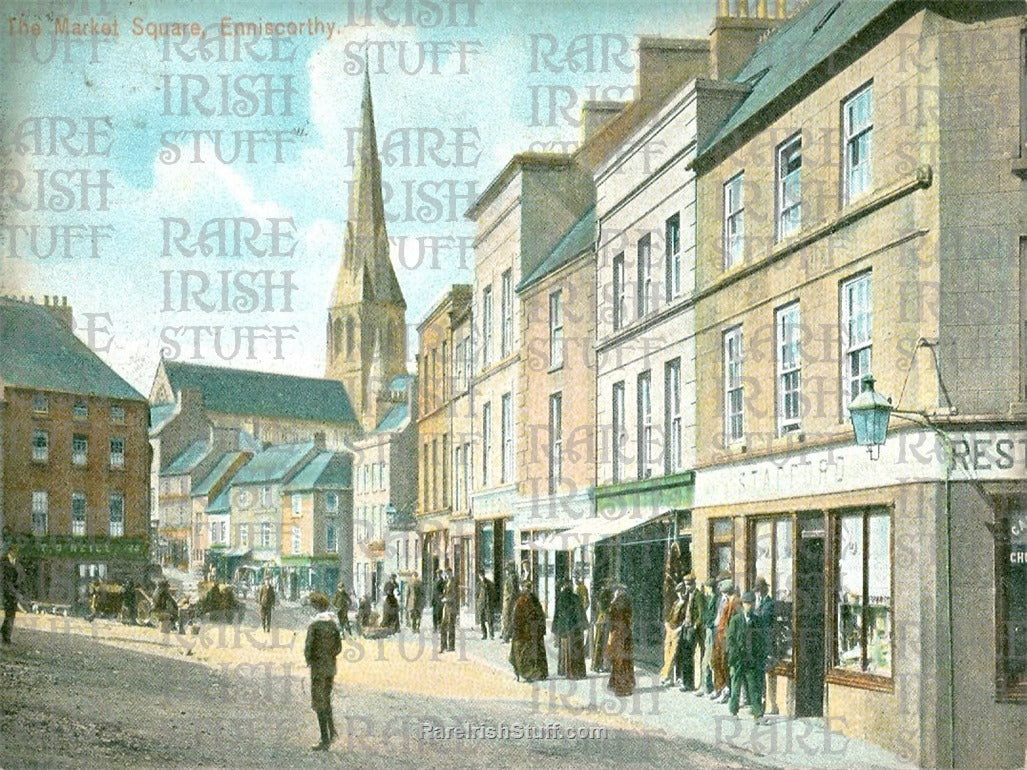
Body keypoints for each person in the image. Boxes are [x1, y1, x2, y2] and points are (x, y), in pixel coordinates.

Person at [304, 591, 342, 751]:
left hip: (318, 669)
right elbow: (338, 647)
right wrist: (330, 656)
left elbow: (308, 648)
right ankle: (332, 732)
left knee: (319, 702)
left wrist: (310, 661)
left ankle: (324, 739)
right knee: (326, 699)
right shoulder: (333, 624)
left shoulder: (314, 625)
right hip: (330, 668)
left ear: (315, 607)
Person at [727, 591, 767, 724]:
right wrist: (734, 655)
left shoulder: (757, 620)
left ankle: (757, 715)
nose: (750, 606)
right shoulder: (736, 620)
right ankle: (733, 711)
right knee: (736, 685)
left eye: (752, 603)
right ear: (743, 605)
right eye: (747, 603)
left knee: (753, 686)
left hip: (751, 659)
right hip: (738, 659)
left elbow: (760, 641)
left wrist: (760, 656)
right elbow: (730, 640)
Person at [509, 583, 547, 682]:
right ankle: (527, 673)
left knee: (535, 652)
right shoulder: (520, 601)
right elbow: (516, 618)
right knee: (522, 653)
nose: (528, 590)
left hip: (534, 631)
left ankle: (537, 673)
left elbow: (540, 614)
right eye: (526, 588)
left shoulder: (534, 600)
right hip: (524, 632)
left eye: (529, 588)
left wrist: (540, 626)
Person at [753, 576, 778, 714]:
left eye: (759, 590)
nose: (757, 593)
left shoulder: (769, 604)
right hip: (758, 644)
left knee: (767, 674)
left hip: (767, 644)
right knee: (760, 676)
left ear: (764, 590)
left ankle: (769, 705)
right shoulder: (759, 603)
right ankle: (761, 705)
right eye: (756, 591)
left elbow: (764, 622)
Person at [552, 580, 587, 679]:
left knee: (564, 649)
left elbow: (557, 615)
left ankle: (564, 670)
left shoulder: (560, 598)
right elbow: (581, 613)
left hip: (564, 629)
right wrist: (583, 625)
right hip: (575, 629)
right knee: (575, 649)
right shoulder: (575, 598)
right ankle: (577, 671)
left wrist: (556, 629)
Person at [606, 585, 635, 696]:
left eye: (617, 590)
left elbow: (610, 614)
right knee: (623, 661)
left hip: (619, 635)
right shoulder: (624, 603)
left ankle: (620, 687)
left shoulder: (618, 604)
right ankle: (622, 684)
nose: (616, 592)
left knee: (619, 661)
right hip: (624, 634)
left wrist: (613, 601)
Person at [696, 577, 718, 698]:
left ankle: (707, 687)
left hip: (711, 631)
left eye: (707, 588)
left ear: (710, 588)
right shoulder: (710, 599)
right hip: (708, 630)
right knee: (706, 660)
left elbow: (711, 616)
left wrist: (707, 623)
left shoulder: (714, 599)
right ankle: (705, 686)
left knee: (708, 661)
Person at [591, 579, 613, 673]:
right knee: (603, 643)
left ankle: (598, 664)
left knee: (601, 643)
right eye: (609, 583)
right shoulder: (604, 593)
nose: (610, 585)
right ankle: (600, 664)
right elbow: (603, 608)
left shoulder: (603, 593)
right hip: (604, 620)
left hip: (602, 619)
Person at [1, 546, 22, 645]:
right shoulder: (3, 562)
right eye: (14, 551)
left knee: (10, 615)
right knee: (9, 615)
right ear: (10, 551)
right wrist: (13, 592)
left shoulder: (15, 562)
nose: (15, 553)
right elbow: (5, 581)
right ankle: (6, 638)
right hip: (6, 593)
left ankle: (5, 633)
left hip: (13, 593)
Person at [439, 570, 459, 652]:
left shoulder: (454, 583)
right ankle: (443, 646)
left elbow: (455, 596)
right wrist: (442, 596)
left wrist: (447, 599)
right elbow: (445, 593)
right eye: (446, 574)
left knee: (451, 626)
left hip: (451, 607)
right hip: (446, 607)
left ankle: (451, 646)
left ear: (451, 573)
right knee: (443, 626)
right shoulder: (446, 582)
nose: (447, 575)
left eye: (448, 574)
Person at [500, 562, 519, 642]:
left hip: (509, 601)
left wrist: (511, 601)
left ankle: (506, 636)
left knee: (507, 618)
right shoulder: (511, 577)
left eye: (508, 569)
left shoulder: (512, 578)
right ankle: (506, 634)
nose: (507, 571)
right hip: (507, 601)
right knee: (506, 618)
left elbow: (513, 592)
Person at [475, 569, 495, 640]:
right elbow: (476, 595)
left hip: (488, 604)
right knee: (481, 620)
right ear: (479, 576)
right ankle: (484, 634)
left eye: (482, 575)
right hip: (481, 604)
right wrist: (478, 603)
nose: (481, 576)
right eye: (480, 575)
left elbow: (493, 594)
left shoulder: (489, 583)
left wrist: (491, 602)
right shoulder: (478, 584)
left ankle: (491, 634)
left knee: (490, 620)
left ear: (484, 574)